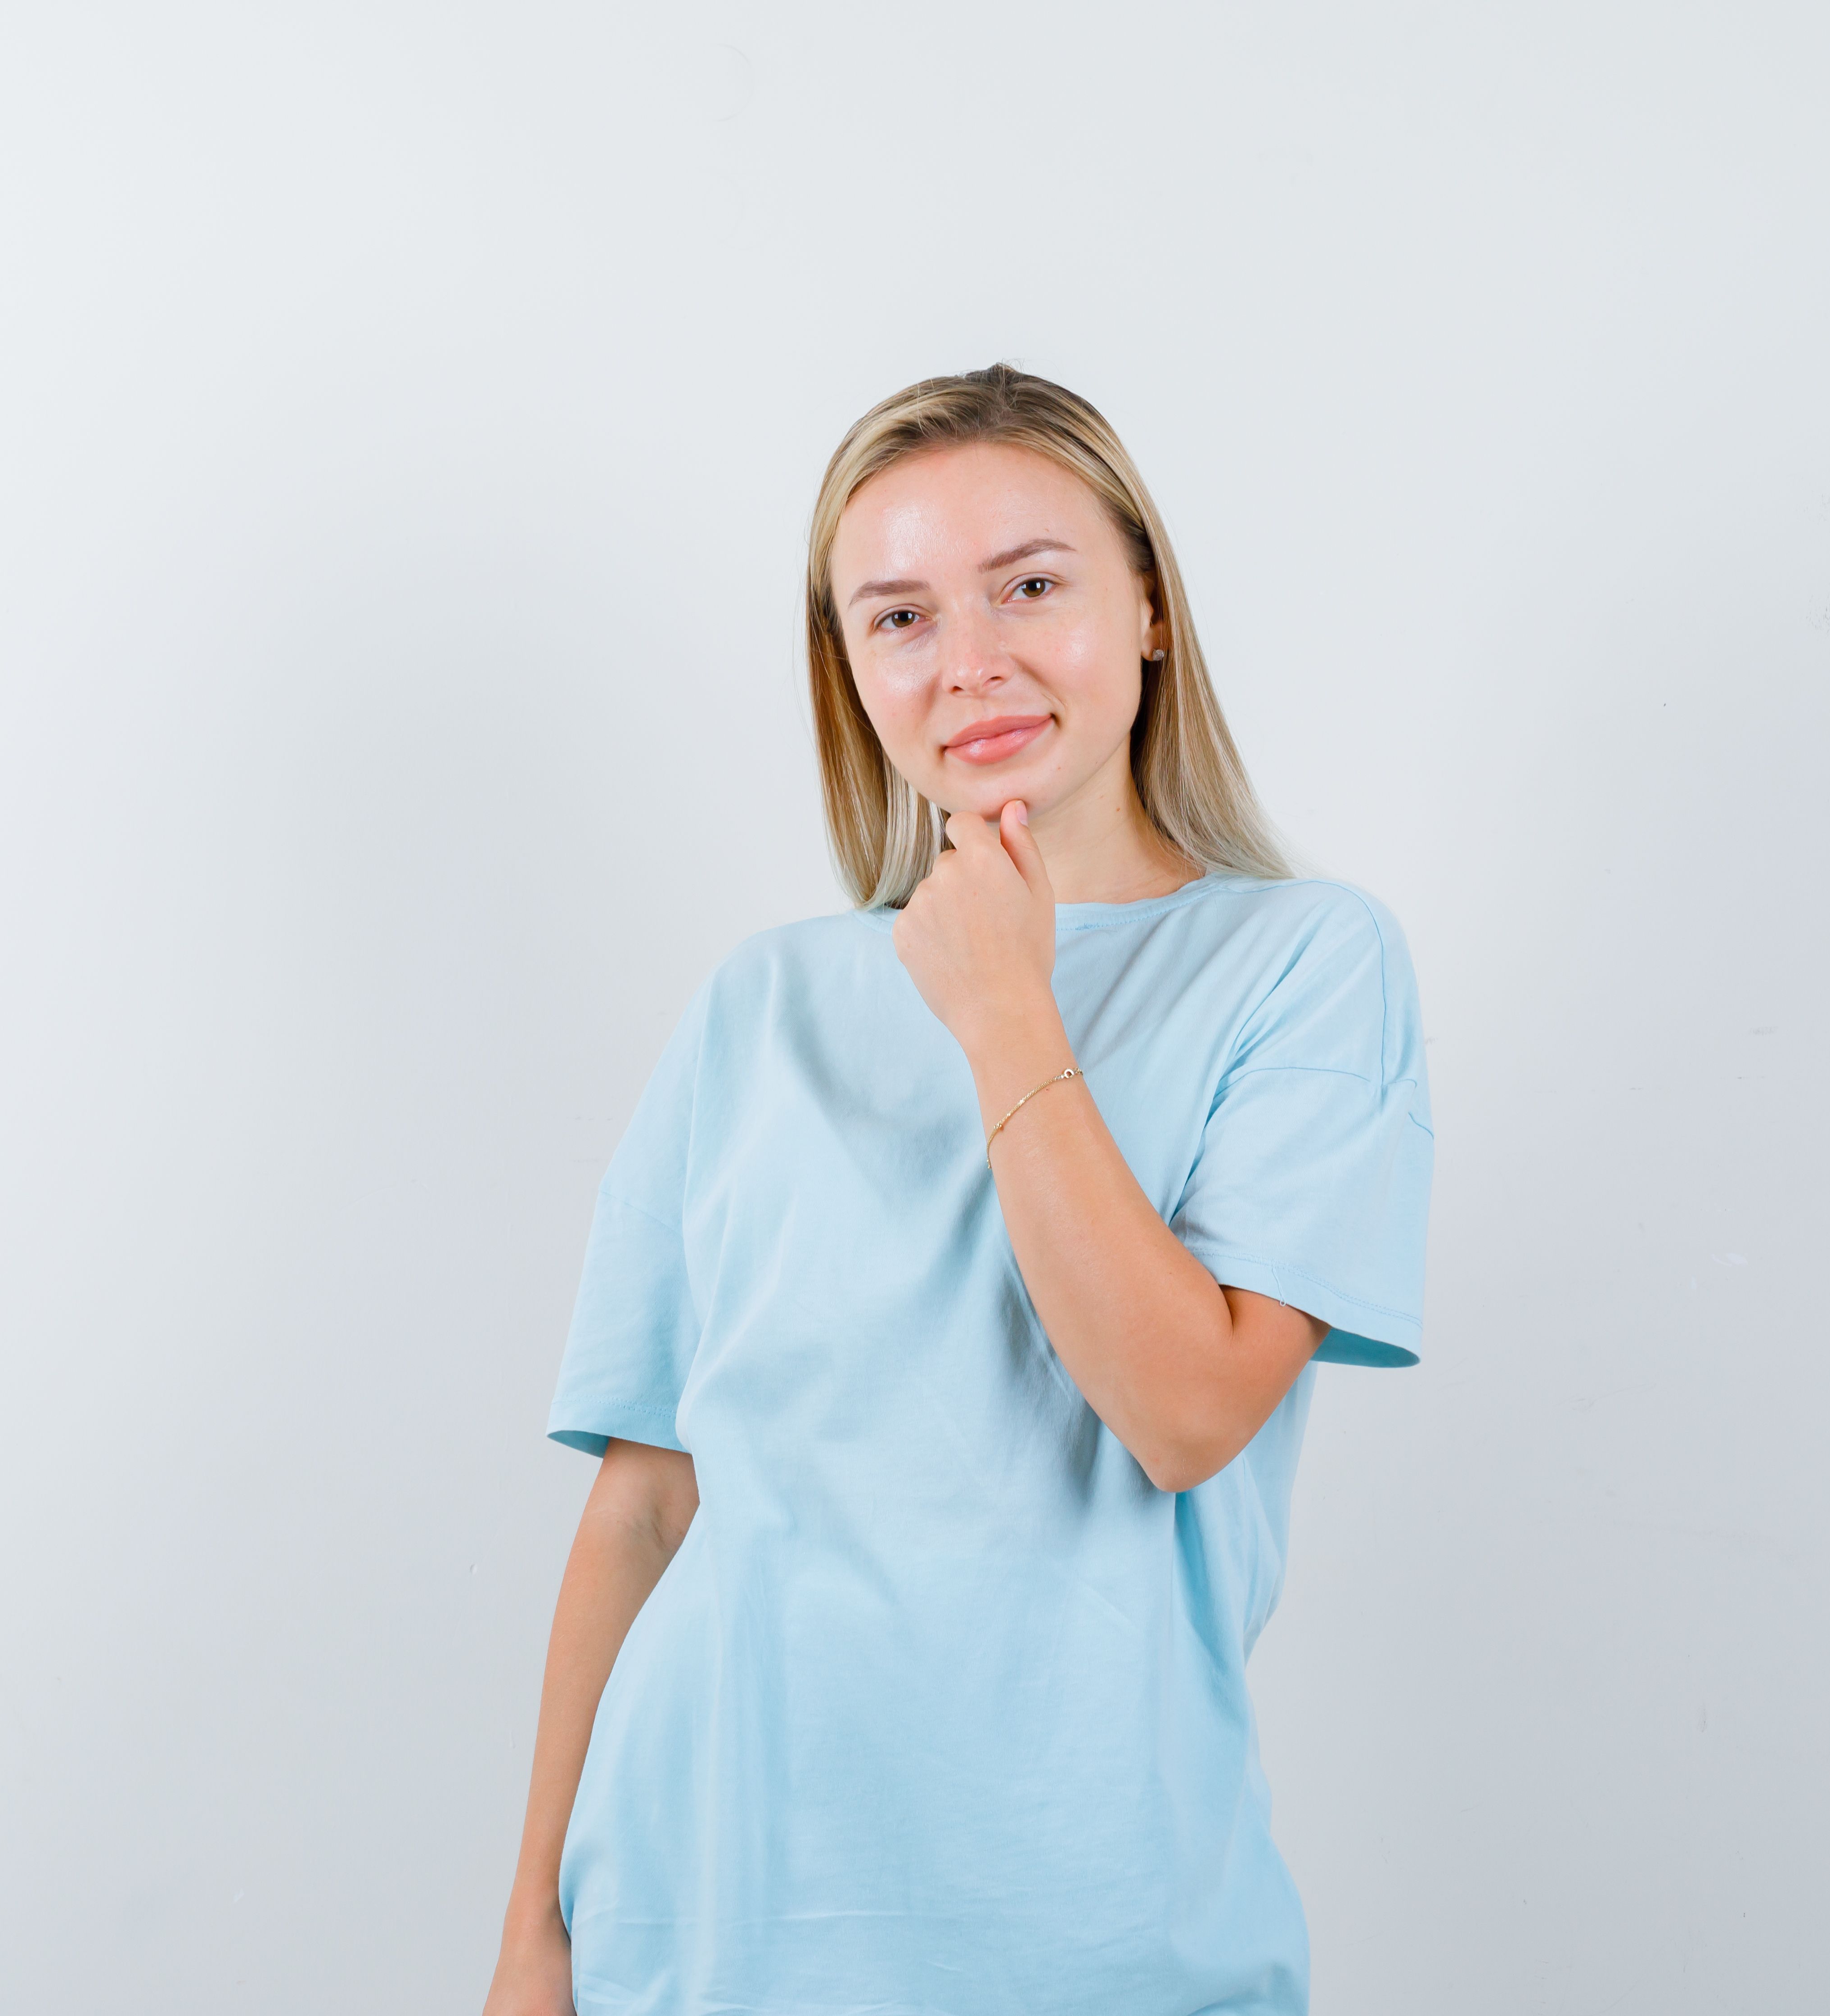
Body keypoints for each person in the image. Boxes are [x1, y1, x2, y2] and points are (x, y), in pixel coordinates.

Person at [479, 365, 1436, 2016]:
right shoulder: (758, 1008)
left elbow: (1188, 1412)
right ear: (849, 672)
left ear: (1148, 608)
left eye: (1033, 586)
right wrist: (530, 1943)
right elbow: (645, 1503)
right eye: (899, 617)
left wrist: (1005, 1005)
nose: (970, 662)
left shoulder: (1304, 964)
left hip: (1087, 1942)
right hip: (692, 1930)